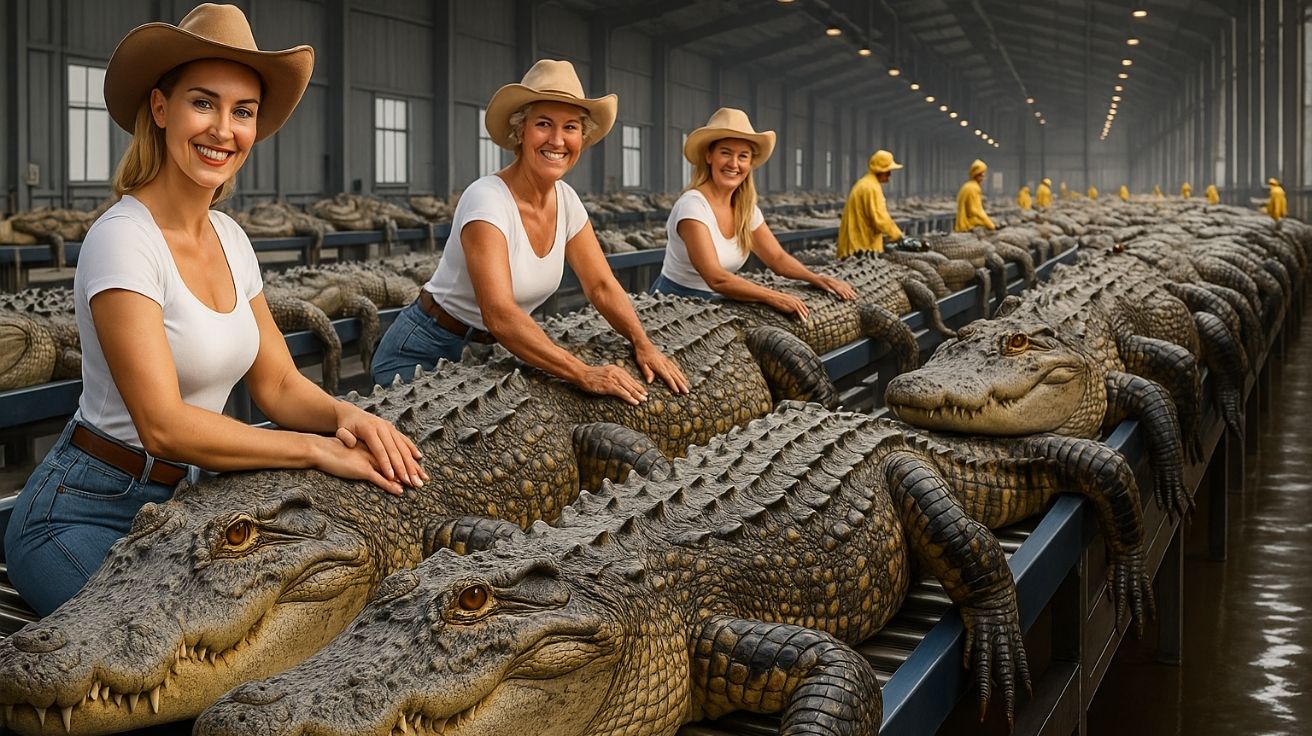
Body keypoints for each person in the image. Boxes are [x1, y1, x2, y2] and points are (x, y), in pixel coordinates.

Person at [4, 3, 427, 616]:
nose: (222, 129)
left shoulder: (230, 238)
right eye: (203, 103)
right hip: (85, 509)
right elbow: (164, 425)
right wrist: (313, 449)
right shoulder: (125, 239)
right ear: (160, 108)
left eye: (243, 112)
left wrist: (347, 418)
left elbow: (278, 383)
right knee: (156, 654)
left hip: (191, 504)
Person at [371, 60, 688, 404]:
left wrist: (642, 343)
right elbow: (500, 314)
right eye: (543, 124)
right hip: (424, 347)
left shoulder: (566, 201)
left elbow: (601, 285)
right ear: (520, 131)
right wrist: (583, 372)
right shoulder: (487, 200)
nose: (557, 139)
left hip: (490, 352)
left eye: (570, 127)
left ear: (581, 137)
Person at [653, 108, 854, 319]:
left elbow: (776, 258)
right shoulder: (692, 206)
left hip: (719, 302)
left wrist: (817, 279)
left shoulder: (746, 209)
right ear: (709, 156)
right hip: (675, 306)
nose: (734, 164)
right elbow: (716, 278)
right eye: (726, 153)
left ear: (750, 163)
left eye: (743, 156)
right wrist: (772, 296)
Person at [836, 149, 906, 256]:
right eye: (888, 171)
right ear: (880, 170)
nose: (890, 175)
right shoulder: (871, 188)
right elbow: (879, 218)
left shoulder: (865, 183)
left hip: (857, 241)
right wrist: (897, 235)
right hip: (860, 247)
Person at [954, 159, 996, 232]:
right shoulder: (973, 188)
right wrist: (990, 224)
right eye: (982, 174)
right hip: (968, 226)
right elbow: (975, 211)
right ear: (977, 175)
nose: (983, 177)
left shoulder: (967, 185)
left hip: (962, 224)